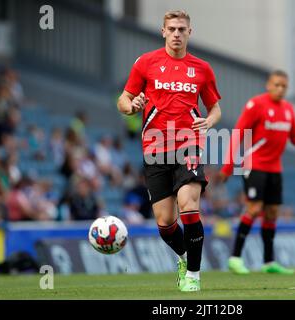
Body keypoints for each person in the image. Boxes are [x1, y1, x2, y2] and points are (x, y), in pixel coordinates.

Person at [117, 10, 222, 292]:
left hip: (188, 144)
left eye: (182, 29)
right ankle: (185, 259)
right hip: (154, 149)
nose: (177, 34)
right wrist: (132, 107)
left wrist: (209, 121)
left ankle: (194, 277)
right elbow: (124, 99)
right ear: (163, 32)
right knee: (165, 223)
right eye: (172, 29)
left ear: (190, 32)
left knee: (190, 205)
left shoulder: (202, 68)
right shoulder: (146, 63)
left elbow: (215, 108)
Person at [220, 70, 295, 275]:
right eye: (277, 85)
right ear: (268, 85)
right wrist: (228, 165)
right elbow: (238, 133)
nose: (280, 89)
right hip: (254, 164)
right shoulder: (256, 105)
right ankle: (235, 258)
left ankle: (269, 262)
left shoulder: (288, 109)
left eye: (284, 86)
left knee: (271, 213)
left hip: (274, 168)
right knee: (253, 209)